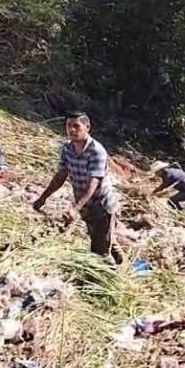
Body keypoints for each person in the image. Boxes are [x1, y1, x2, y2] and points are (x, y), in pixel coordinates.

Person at [33, 112, 121, 263]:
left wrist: (75, 208)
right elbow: (61, 175)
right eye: (68, 126)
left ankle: (107, 276)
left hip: (101, 204)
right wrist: (43, 198)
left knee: (98, 252)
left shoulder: (97, 151)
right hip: (84, 204)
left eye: (76, 126)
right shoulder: (67, 149)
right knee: (99, 237)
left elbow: (93, 183)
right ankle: (115, 252)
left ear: (87, 127)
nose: (72, 130)